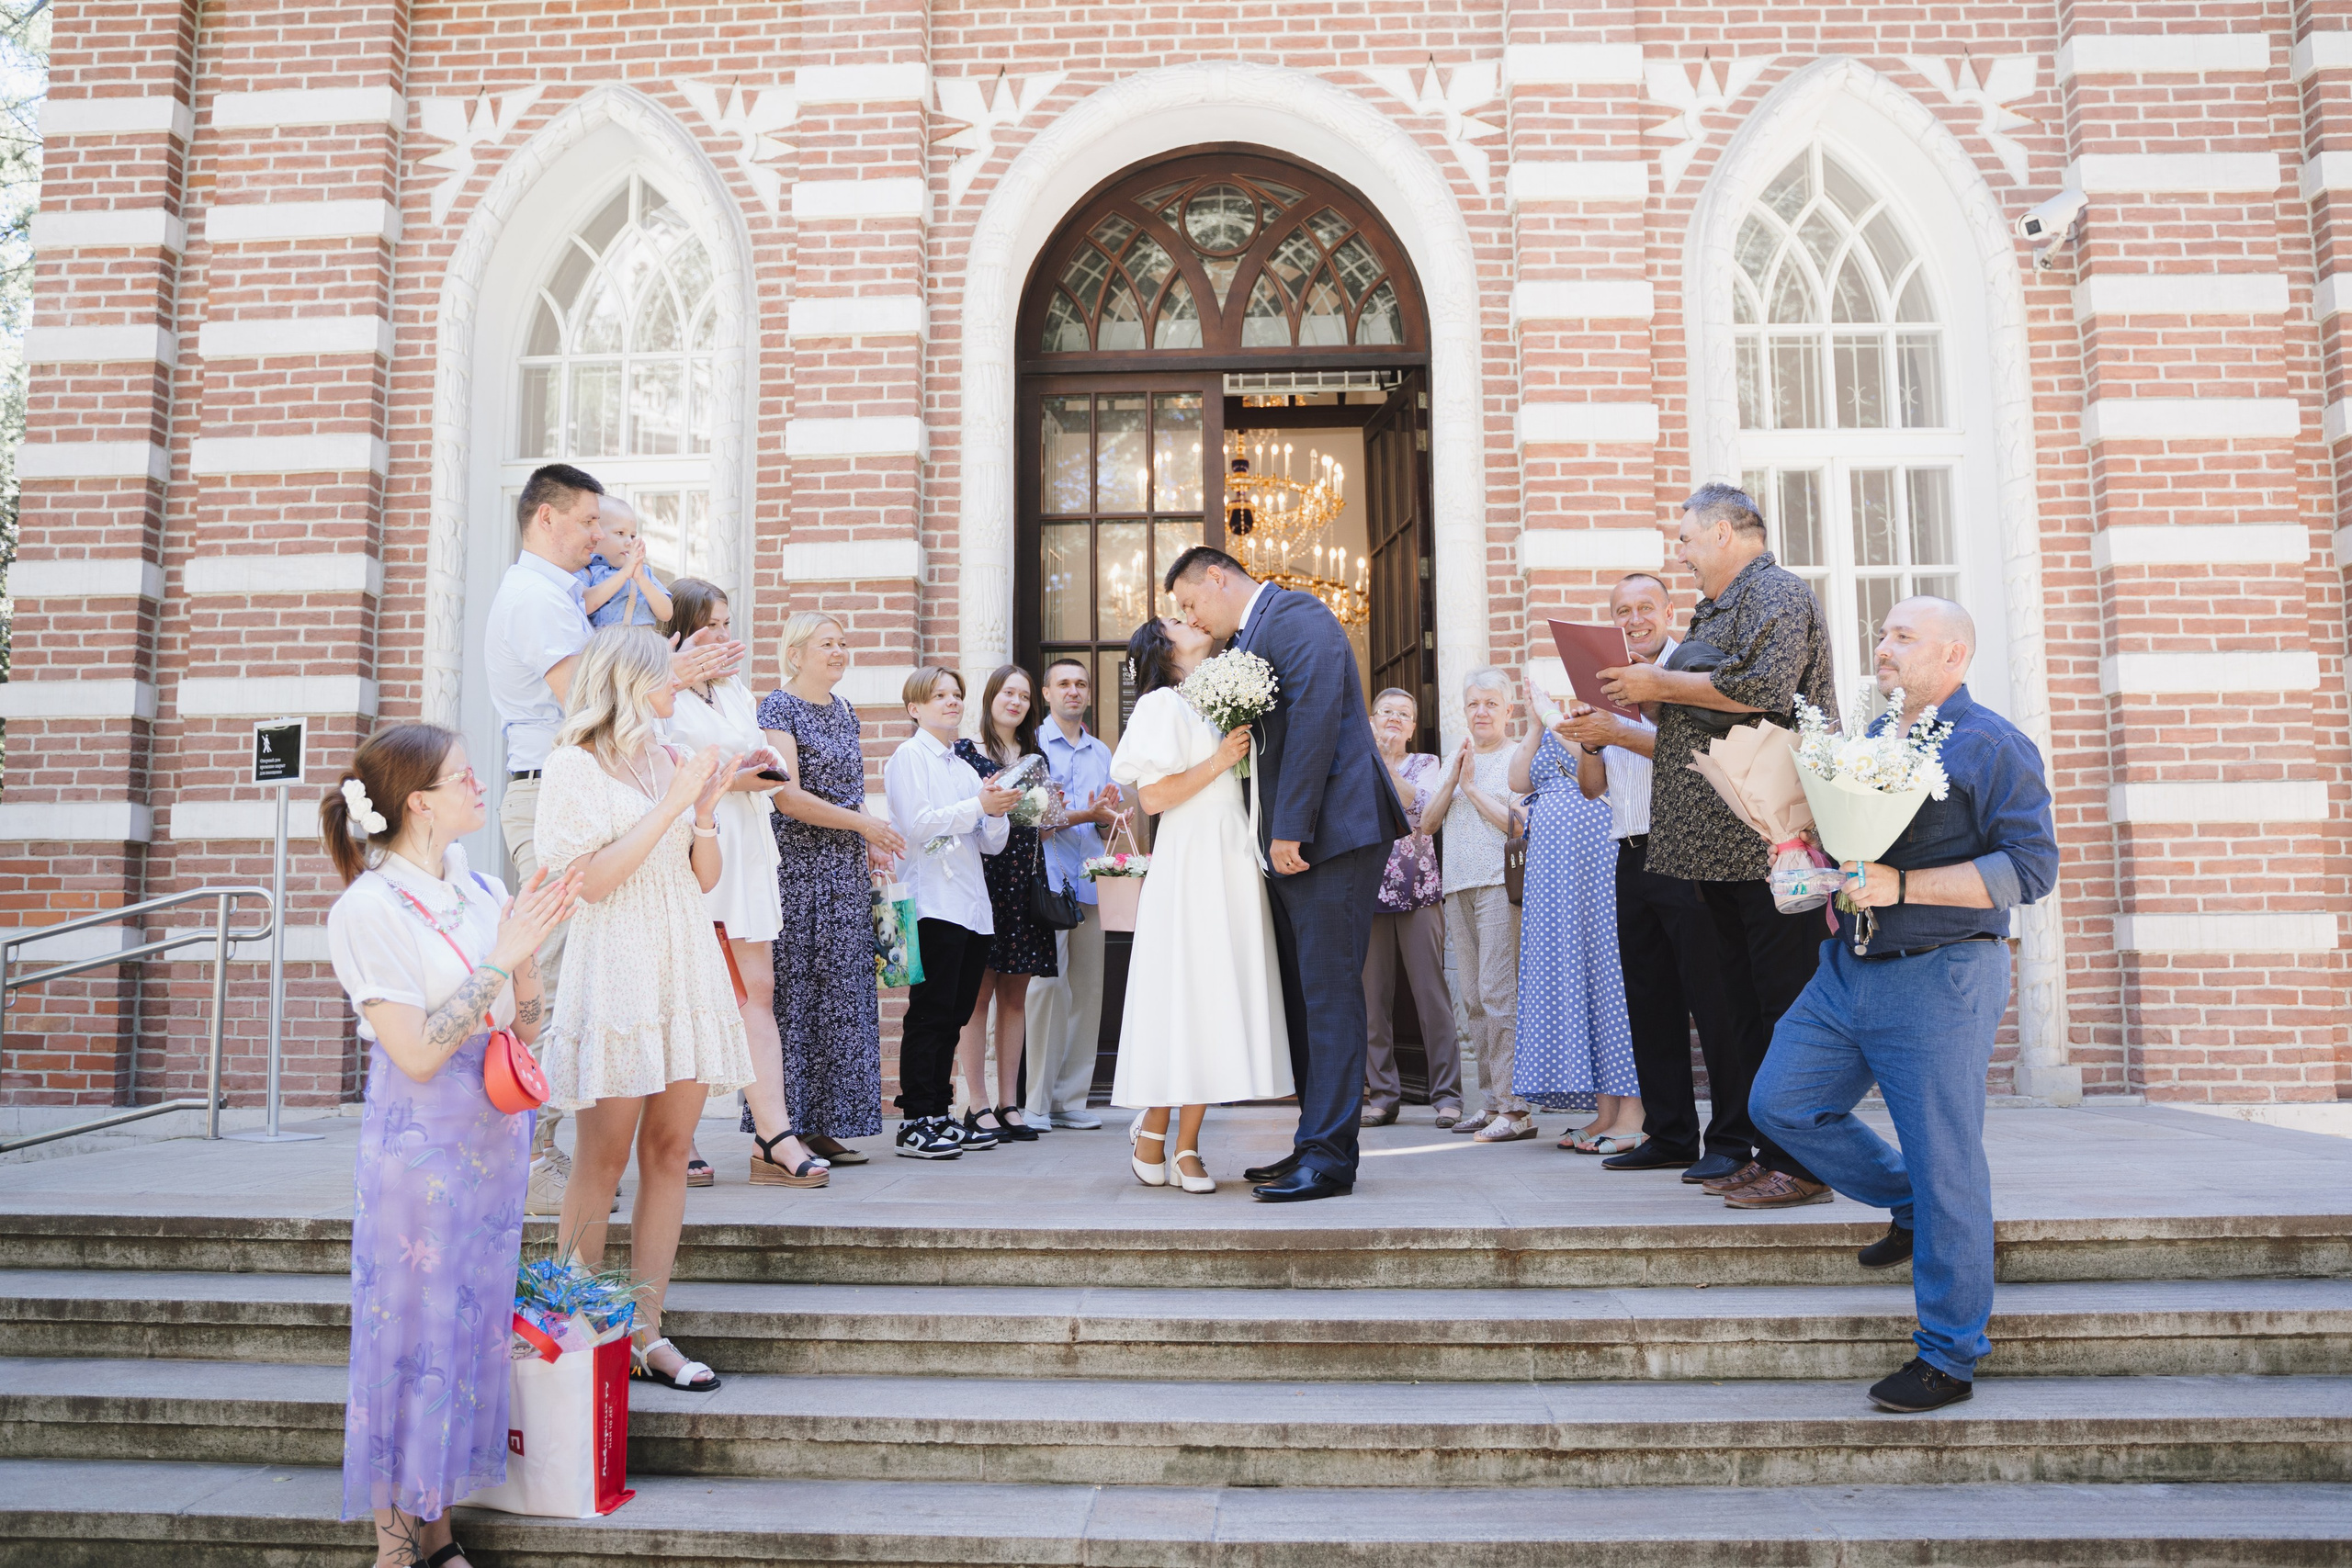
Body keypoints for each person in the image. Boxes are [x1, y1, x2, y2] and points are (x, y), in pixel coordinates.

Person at [1751, 596, 2057, 1414]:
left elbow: (2030, 869)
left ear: (1953, 655)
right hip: (1848, 964)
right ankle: (1910, 1201)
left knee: (1947, 1159)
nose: (1881, 646)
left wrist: (1905, 885)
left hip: (1942, 974)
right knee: (1780, 1103)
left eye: (1902, 637)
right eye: (1882, 633)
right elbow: (1852, 845)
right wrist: (1804, 859)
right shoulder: (1869, 740)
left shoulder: (1991, 743)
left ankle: (1949, 1354)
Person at [322, 721, 578, 1568]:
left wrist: (528, 962)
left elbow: (526, 1033)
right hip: (419, 1160)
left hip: (491, 1147)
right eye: (466, 777)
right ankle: (396, 1548)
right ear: (419, 802)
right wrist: (502, 960)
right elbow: (421, 1050)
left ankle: (438, 1530)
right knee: (410, 1341)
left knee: (462, 1338)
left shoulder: (476, 885)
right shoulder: (368, 907)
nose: (482, 786)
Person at [484, 464, 739, 1213]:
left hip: (619, 783)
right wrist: (668, 668)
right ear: (545, 520)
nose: (601, 536)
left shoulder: (566, 596)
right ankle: (535, 1156)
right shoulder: (535, 600)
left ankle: (583, 1146)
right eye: (590, 521)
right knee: (558, 973)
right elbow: (586, 704)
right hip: (558, 791)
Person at [536, 626, 763, 1394]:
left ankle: (645, 1332)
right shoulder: (571, 764)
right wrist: (670, 804)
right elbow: (588, 882)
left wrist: (701, 810)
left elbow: (702, 876)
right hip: (618, 965)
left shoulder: (668, 757)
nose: (681, 684)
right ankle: (573, 1328)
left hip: (682, 957)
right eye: (670, 674)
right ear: (630, 680)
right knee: (602, 1158)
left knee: (671, 1152)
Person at [1600, 481, 1838, 1209]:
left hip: (1767, 836)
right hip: (1717, 846)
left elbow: (1761, 687)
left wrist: (1658, 681)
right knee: (1737, 1008)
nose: (1683, 551)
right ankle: (1763, 1150)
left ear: (1728, 533)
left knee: (1783, 1003)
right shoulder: (1717, 605)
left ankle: (1802, 1163)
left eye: (1688, 539)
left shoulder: (1779, 594)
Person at [1167, 548, 1407, 1202]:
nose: (1191, 616)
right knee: (1306, 997)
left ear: (1216, 576)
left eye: (1190, 602)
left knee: (1329, 994)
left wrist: (1289, 826)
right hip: (1301, 840)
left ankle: (1330, 1158)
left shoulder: (1296, 614)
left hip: (1332, 833)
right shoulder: (1252, 634)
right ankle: (1312, 1141)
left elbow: (1315, 719)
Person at [1557, 573, 1744, 1177]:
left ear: (1669, 611)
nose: (1633, 618)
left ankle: (1732, 1140)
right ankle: (1669, 1132)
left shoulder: (1686, 670)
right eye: (1621, 611)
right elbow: (1592, 790)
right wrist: (1590, 739)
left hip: (1686, 847)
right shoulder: (1607, 682)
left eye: (1644, 607)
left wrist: (1618, 731)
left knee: (1711, 999)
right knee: (1649, 999)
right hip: (1628, 848)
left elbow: (1692, 754)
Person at [1109, 616, 1292, 1193]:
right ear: (1164, 648)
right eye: (1176, 620)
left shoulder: (1225, 696)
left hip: (1232, 854)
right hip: (1189, 858)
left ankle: (1182, 1142)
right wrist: (1219, 760)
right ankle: (1158, 1134)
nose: (1193, 619)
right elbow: (1156, 797)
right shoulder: (1161, 704)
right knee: (1183, 992)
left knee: (1219, 994)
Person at [664, 580, 831, 1186]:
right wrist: (735, 771)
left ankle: (773, 1134)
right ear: (679, 629)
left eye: (728, 624)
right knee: (689, 998)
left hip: (749, 851)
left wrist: (748, 770)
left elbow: (763, 757)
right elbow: (671, 767)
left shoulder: (735, 690)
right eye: (711, 624)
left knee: (756, 991)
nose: (724, 637)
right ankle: (672, 1136)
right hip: (695, 851)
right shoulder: (659, 691)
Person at [756, 613, 907, 1166]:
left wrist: (872, 838)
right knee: (796, 993)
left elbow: (851, 790)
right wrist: (862, 825)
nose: (840, 652)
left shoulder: (845, 711)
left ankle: (822, 1125)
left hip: (843, 866)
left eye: (844, 643)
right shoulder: (777, 707)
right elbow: (786, 797)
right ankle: (779, 1129)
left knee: (840, 993)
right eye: (827, 644)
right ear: (795, 654)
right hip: (797, 867)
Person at [884, 667, 1021, 1158]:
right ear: (914, 708)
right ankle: (916, 1119)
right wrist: (977, 806)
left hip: (972, 906)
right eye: (938, 695)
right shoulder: (909, 758)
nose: (951, 702)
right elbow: (919, 826)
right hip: (932, 903)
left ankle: (940, 1114)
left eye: (956, 695)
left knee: (956, 1014)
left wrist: (998, 810)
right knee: (931, 1013)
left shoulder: (965, 769)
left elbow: (989, 843)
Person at [1509, 669, 1639, 1151]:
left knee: (1610, 977)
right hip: (1554, 882)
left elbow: (1597, 776)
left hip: (1594, 867)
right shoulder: (1551, 728)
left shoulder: (1602, 724)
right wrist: (1537, 723)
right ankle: (1605, 1113)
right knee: (1580, 980)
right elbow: (1518, 778)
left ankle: (1634, 1111)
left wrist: (1551, 713)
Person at [1419, 668, 1535, 1144]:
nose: (1481, 712)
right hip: (1457, 887)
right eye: (1473, 704)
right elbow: (1426, 825)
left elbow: (1519, 824)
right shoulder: (1456, 758)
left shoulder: (1518, 759)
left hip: (1498, 887)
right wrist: (1454, 779)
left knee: (1497, 993)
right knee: (1472, 998)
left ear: (1509, 710)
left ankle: (1516, 1108)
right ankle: (1490, 1104)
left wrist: (1471, 789)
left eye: (1491, 703)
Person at [951, 664, 1059, 1145]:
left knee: (1016, 996)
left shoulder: (1037, 758)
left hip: (1023, 880)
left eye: (1022, 695)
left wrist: (1064, 808)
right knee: (975, 995)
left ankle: (1008, 1102)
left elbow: (1046, 822)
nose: (1014, 701)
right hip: (980, 878)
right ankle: (975, 1102)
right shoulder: (964, 754)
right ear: (991, 697)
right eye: (1006, 693)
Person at [1360, 686, 1462, 1129]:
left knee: (1431, 995)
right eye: (1387, 712)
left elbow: (1414, 809)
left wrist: (1381, 762)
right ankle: (1383, 1095)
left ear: (1413, 727)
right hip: (1367, 892)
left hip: (1418, 890)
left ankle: (1447, 1096)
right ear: (1371, 720)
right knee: (1371, 1000)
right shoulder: (1351, 763)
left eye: (1404, 714)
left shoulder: (1426, 764)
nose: (1394, 719)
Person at [1024, 656, 1117, 1133]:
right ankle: (1036, 1102)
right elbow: (1030, 822)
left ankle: (1070, 1098)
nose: (1074, 691)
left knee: (1087, 991)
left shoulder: (1102, 751)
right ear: (1047, 693)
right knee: (1046, 989)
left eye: (1080, 684)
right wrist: (1080, 813)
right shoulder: (1033, 747)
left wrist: (1105, 813)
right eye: (1063, 684)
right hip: (1047, 882)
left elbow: (1108, 819)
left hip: (1089, 883)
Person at [577, 493, 672, 630]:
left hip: (644, 643)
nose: (629, 542)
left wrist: (641, 579)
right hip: (609, 645)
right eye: (620, 533)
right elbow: (584, 605)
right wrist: (624, 573)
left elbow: (666, 614)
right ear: (597, 535)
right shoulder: (587, 570)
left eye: (633, 536)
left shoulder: (644, 572)